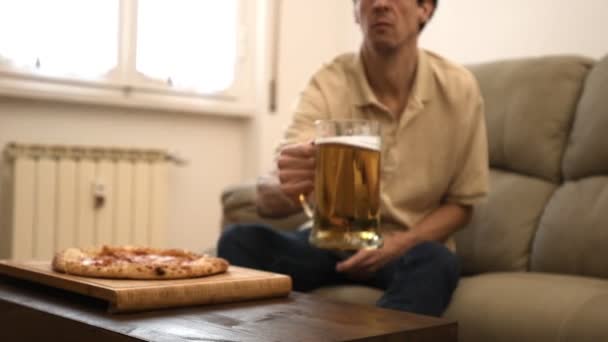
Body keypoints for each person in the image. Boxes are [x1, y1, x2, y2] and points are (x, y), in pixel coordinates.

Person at [218, 0, 489, 317]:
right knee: (239, 241)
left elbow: (462, 205)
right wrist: (288, 184)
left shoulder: (458, 88)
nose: (381, 4)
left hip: (407, 247)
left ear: (424, 9)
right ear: (355, 10)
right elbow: (272, 191)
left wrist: (399, 244)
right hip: (328, 241)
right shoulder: (329, 82)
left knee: (437, 262)